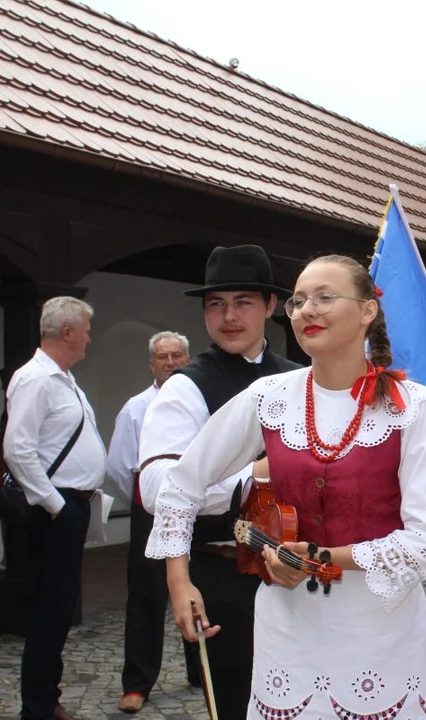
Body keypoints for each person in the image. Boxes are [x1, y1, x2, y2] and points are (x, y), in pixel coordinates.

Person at [147, 254, 426, 719]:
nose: (307, 310)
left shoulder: (410, 409)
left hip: (382, 633)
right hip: (289, 631)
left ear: (368, 311)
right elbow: (179, 485)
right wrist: (178, 579)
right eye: (299, 301)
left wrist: (320, 558)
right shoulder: (269, 398)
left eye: (325, 298)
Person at [138, 245, 300, 717]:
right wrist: (253, 475)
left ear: (270, 307)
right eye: (216, 304)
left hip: (299, 568)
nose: (229, 316)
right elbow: (159, 487)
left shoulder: (299, 379)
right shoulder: (186, 386)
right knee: (237, 703)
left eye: (243, 302)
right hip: (225, 573)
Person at [3, 296, 106, 720]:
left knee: (59, 610)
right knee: (50, 611)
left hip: (69, 508)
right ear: (67, 332)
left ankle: (48, 697)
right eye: (85, 330)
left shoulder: (64, 378)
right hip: (54, 513)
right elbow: (17, 450)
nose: (88, 339)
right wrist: (56, 505)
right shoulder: (36, 379)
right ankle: (38, 709)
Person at [109, 331, 193, 713]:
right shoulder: (136, 408)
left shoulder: (201, 400)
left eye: (178, 355)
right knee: (146, 594)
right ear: (151, 364)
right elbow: (120, 466)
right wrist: (148, 505)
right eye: (164, 357)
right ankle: (138, 682)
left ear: (188, 359)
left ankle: (200, 669)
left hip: (200, 510)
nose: (172, 362)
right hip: (151, 511)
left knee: (203, 585)